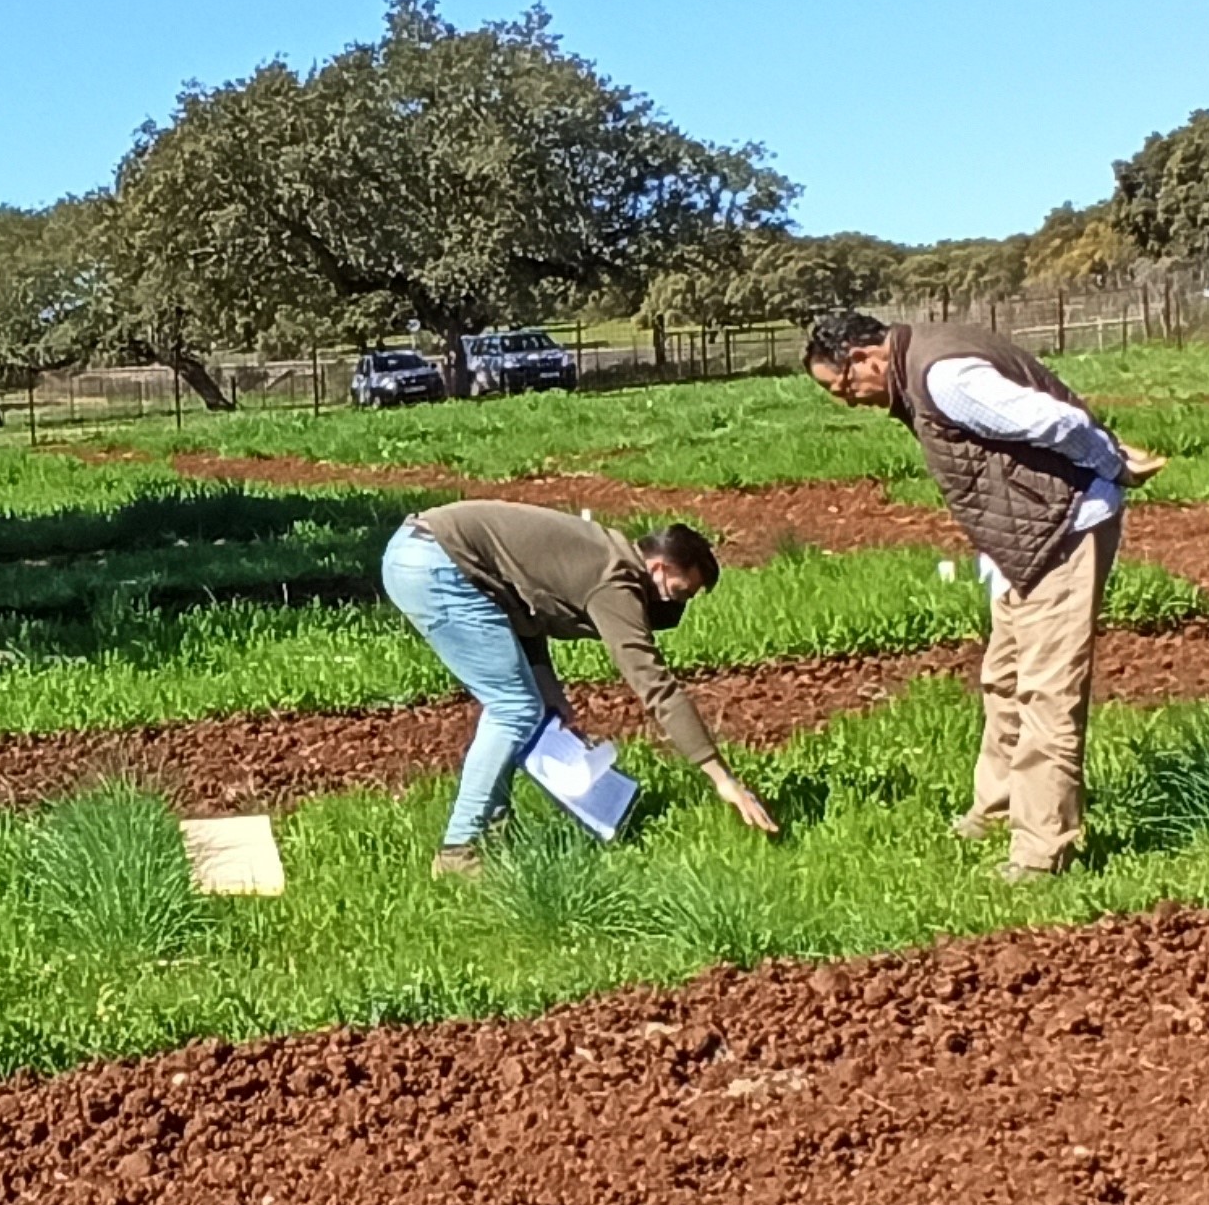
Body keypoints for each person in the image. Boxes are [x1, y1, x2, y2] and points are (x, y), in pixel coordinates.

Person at [801, 309, 1165, 876]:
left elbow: (1054, 421)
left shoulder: (944, 376)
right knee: (1004, 677)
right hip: (1025, 539)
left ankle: (1041, 852)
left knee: (1048, 692)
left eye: (841, 387)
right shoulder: (918, 371)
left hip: (1064, 527)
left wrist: (1112, 464)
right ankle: (994, 810)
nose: (847, 401)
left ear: (861, 357)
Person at [381, 499, 776, 876]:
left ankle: (491, 833)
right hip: (436, 564)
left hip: (421, 552)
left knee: (522, 706)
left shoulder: (601, 552)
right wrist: (722, 778)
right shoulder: (615, 580)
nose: (678, 605)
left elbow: (520, 602)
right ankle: (458, 851)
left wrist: (549, 689)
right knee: (513, 709)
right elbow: (655, 685)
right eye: (680, 592)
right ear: (657, 568)